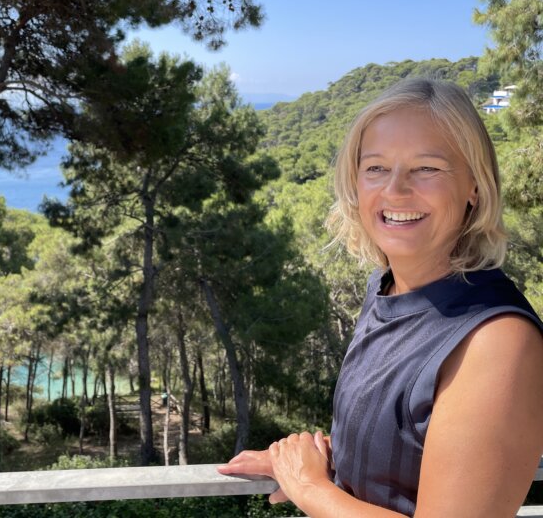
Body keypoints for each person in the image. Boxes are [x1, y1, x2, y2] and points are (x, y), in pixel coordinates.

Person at [218, 78, 543, 517]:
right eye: (376, 168)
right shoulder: (386, 287)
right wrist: (304, 462)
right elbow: (411, 444)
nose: (395, 189)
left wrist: (309, 487)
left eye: (427, 167)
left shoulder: (496, 342)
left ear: (475, 186)